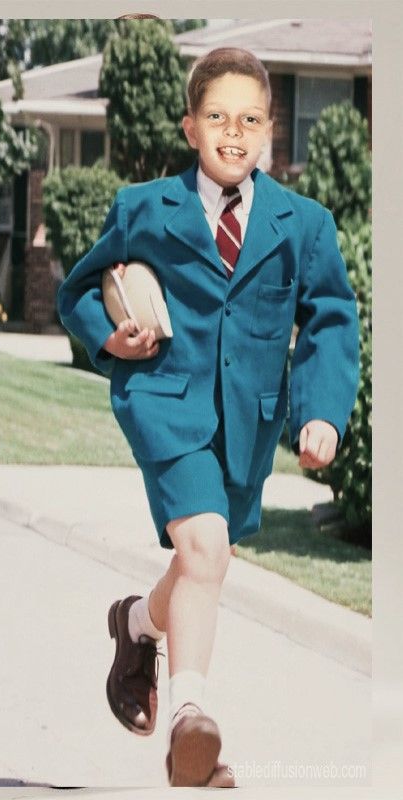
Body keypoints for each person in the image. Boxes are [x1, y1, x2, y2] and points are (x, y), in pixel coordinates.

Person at [56, 46, 360, 788]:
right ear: (190, 127)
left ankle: (135, 623)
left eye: (250, 120)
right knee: (205, 548)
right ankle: (192, 723)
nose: (234, 133)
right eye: (218, 117)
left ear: (270, 129)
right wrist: (109, 336)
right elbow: (80, 291)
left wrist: (321, 411)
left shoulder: (303, 224)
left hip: (249, 423)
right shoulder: (143, 208)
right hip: (162, 399)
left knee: (203, 560)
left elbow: (329, 318)